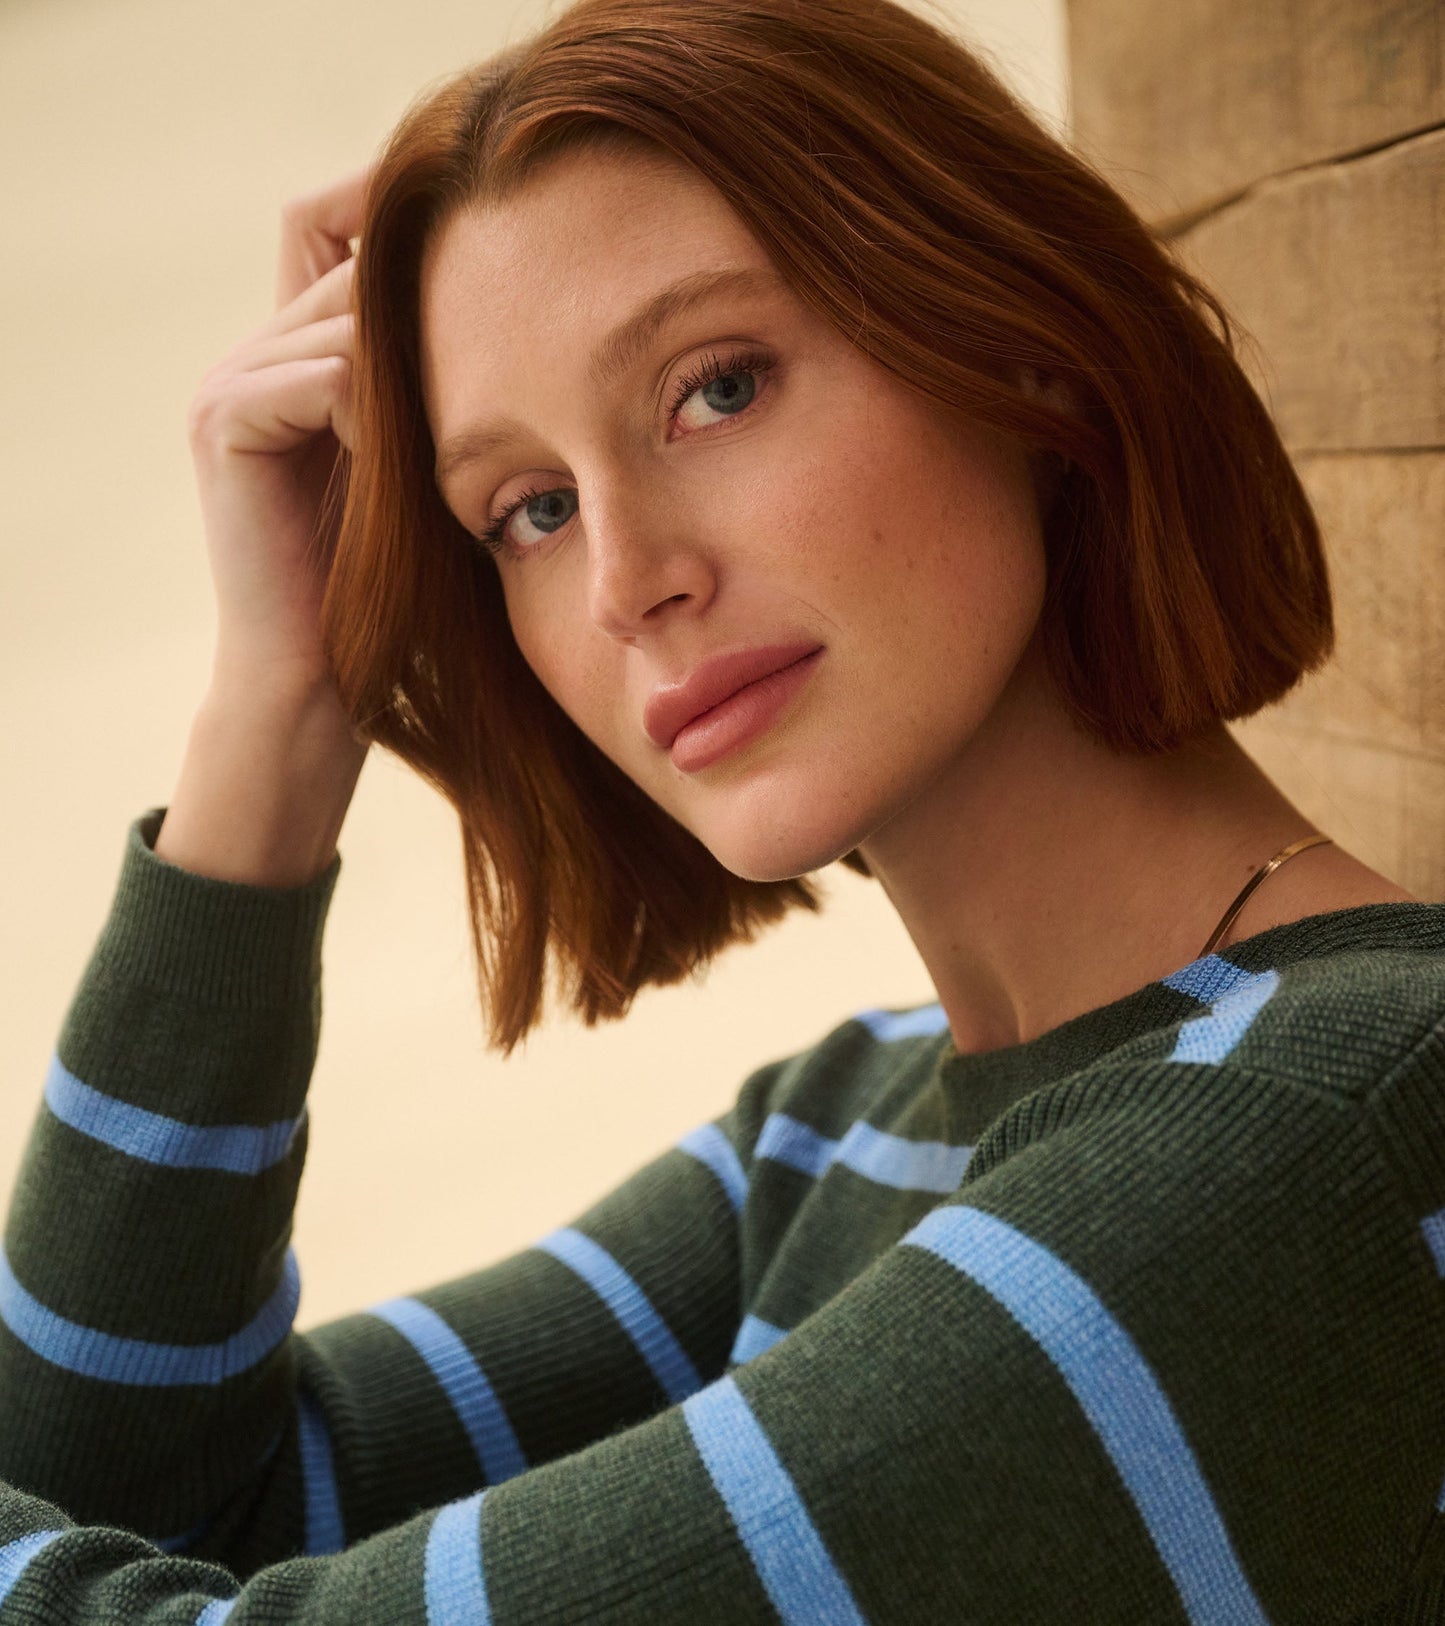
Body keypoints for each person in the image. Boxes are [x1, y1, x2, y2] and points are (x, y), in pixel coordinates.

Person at [0, 0, 1442, 1618]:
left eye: (716, 388)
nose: (624, 581)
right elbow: (152, 1491)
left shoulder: (1308, 1144)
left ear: (1021, 330)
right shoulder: (837, 1129)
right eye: (528, 509)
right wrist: (279, 702)